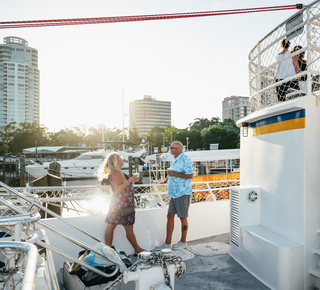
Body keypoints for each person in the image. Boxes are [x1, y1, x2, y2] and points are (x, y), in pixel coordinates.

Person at [98, 152, 144, 256]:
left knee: (112, 226)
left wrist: (130, 181)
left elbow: (120, 186)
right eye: (121, 158)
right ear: (117, 161)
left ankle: (108, 251)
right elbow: (118, 189)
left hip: (118, 203)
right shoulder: (117, 173)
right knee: (128, 227)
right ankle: (137, 249)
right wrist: (130, 180)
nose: (123, 160)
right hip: (123, 204)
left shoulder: (116, 172)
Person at [156, 141, 194, 250]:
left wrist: (174, 174)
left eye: (171, 147)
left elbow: (190, 175)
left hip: (182, 192)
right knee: (170, 216)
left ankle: (183, 242)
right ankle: (167, 243)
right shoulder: (175, 159)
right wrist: (166, 180)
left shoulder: (185, 159)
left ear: (177, 149)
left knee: (183, 218)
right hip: (173, 193)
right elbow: (172, 172)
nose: (170, 149)